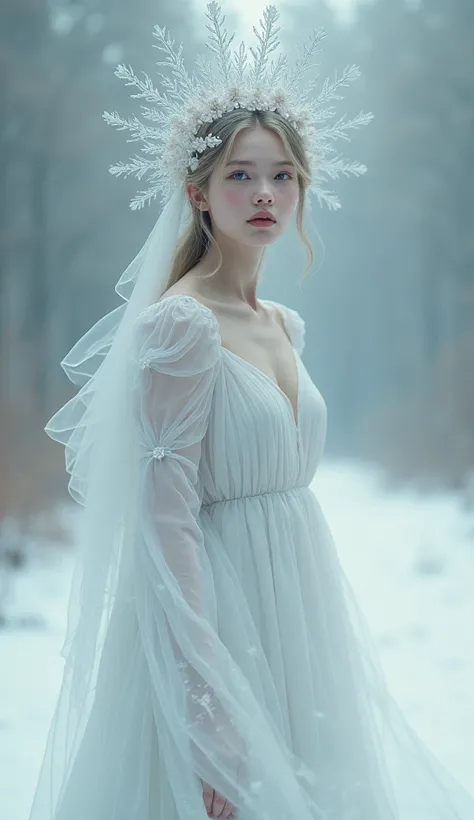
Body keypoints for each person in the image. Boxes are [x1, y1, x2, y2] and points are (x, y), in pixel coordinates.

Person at [28, 4, 474, 820]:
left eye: (281, 174)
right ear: (198, 194)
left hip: (300, 619)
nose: (264, 192)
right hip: (217, 631)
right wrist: (210, 714)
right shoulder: (179, 328)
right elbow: (166, 529)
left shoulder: (282, 326)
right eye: (240, 173)